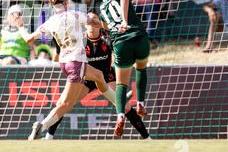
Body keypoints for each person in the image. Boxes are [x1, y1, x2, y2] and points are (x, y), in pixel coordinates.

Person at [13, 0, 118, 140]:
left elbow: (29, 39)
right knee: (66, 104)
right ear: (66, 3)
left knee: (99, 76)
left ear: (52, 5)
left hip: (65, 63)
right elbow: (95, 23)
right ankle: (41, 126)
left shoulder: (50, 21)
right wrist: (114, 27)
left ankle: (118, 104)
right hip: (76, 62)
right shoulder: (75, 14)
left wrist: (21, 26)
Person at [44, 12, 150, 140]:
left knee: (126, 107)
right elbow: (61, 55)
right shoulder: (80, 41)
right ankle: (48, 137)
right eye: (89, 21)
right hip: (86, 78)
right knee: (64, 104)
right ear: (85, 26)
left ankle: (147, 138)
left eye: (95, 20)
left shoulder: (108, 38)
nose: (92, 24)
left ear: (100, 24)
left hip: (106, 76)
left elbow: (121, 54)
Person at [89, 0, 150, 137]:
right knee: (141, 69)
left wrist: (101, 25)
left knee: (121, 84)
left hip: (120, 43)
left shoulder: (102, 6)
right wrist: (124, 20)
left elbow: (106, 27)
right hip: (138, 36)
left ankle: (120, 115)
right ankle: (141, 104)